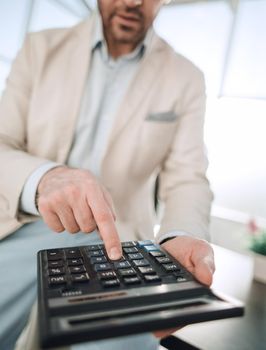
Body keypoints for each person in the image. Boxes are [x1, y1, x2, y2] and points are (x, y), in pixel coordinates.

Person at [0, 0, 215, 349]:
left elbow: (188, 177)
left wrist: (181, 234)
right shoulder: (40, 48)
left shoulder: (186, 77)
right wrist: (45, 178)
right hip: (21, 228)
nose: (132, 1)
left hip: (119, 246)